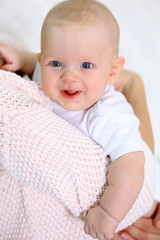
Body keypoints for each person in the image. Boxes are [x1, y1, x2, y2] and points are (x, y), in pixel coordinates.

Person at [0, 1, 159, 239]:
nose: (69, 77)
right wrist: (22, 59)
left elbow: (132, 164)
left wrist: (108, 213)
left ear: (113, 72)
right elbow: (39, 68)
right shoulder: (53, 81)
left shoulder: (108, 114)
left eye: (86, 65)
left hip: (141, 200)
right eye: (56, 63)